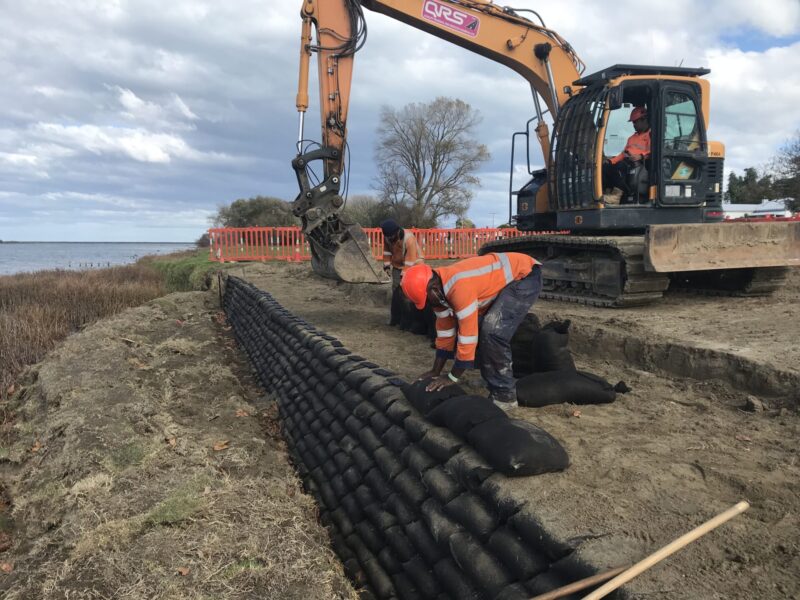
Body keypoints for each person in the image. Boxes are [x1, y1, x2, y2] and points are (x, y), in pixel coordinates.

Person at [401, 252, 542, 409]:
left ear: (433, 289)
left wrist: (452, 377)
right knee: (481, 326)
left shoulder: (459, 287)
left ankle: (505, 394)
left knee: (492, 331)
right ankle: (491, 378)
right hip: (506, 278)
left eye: (426, 300)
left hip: (524, 276)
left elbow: (468, 337)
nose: (428, 304)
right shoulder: (438, 292)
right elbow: (445, 334)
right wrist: (435, 370)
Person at [602, 106, 651, 204]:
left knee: (620, 167)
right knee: (605, 168)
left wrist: (641, 156)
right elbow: (623, 154)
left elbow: (653, 152)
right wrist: (610, 161)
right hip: (627, 161)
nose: (634, 125)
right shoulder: (631, 138)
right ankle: (607, 192)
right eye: (633, 122)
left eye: (635, 122)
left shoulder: (651, 135)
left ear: (644, 119)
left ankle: (616, 196)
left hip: (640, 164)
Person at [380, 219, 423, 290]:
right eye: (387, 237)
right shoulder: (387, 237)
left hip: (415, 262)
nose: (389, 239)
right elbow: (387, 252)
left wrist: (403, 275)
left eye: (391, 237)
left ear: (397, 232)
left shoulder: (409, 238)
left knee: (411, 285)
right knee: (396, 286)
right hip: (399, 263)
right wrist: (387, 266)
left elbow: (410, 259)